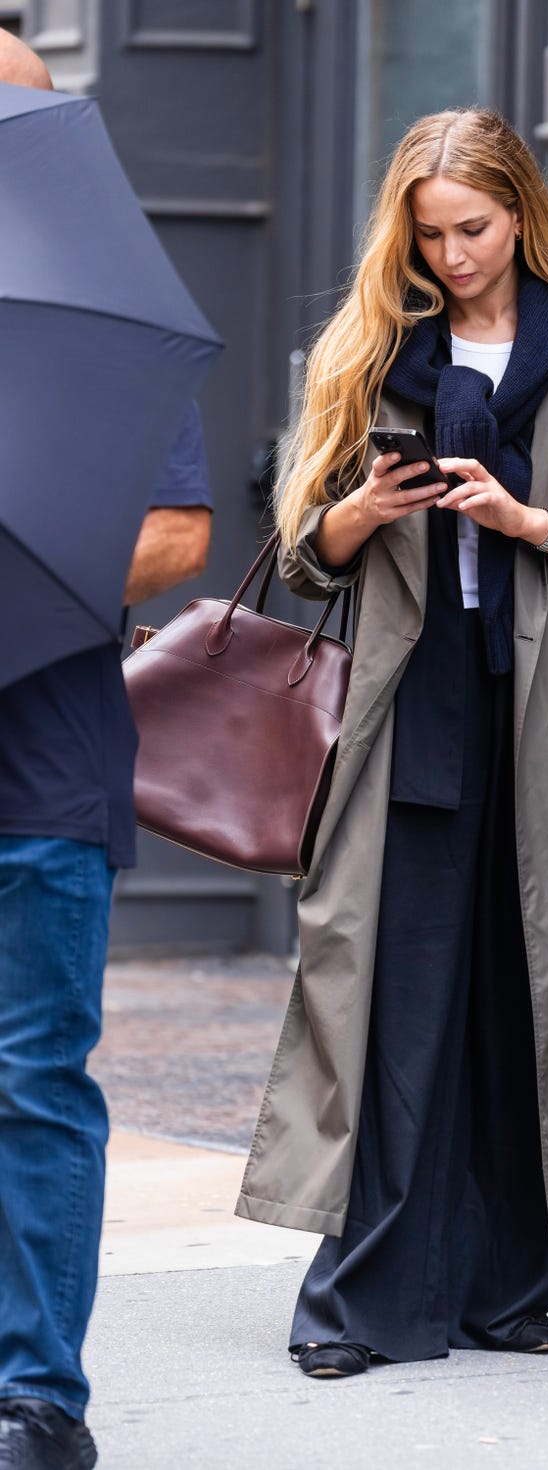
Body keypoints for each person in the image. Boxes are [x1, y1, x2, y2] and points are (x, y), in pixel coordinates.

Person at [235, 107, 548, 1378]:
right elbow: (306, 559)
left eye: (472, 230)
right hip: (407, 714)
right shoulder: (373, 348)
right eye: (429, 235)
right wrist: (362, 511)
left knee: (534, 1008)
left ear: (521, 214)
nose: (452, 256)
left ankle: (507, 1287)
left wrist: (527, 517)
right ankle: (359, 1303)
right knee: (390, 1007)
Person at [0, 37, 215, 1469]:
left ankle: (35, 1397)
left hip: (45, 775)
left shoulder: (97, 326)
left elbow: (182, 533)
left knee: (29, 1078)